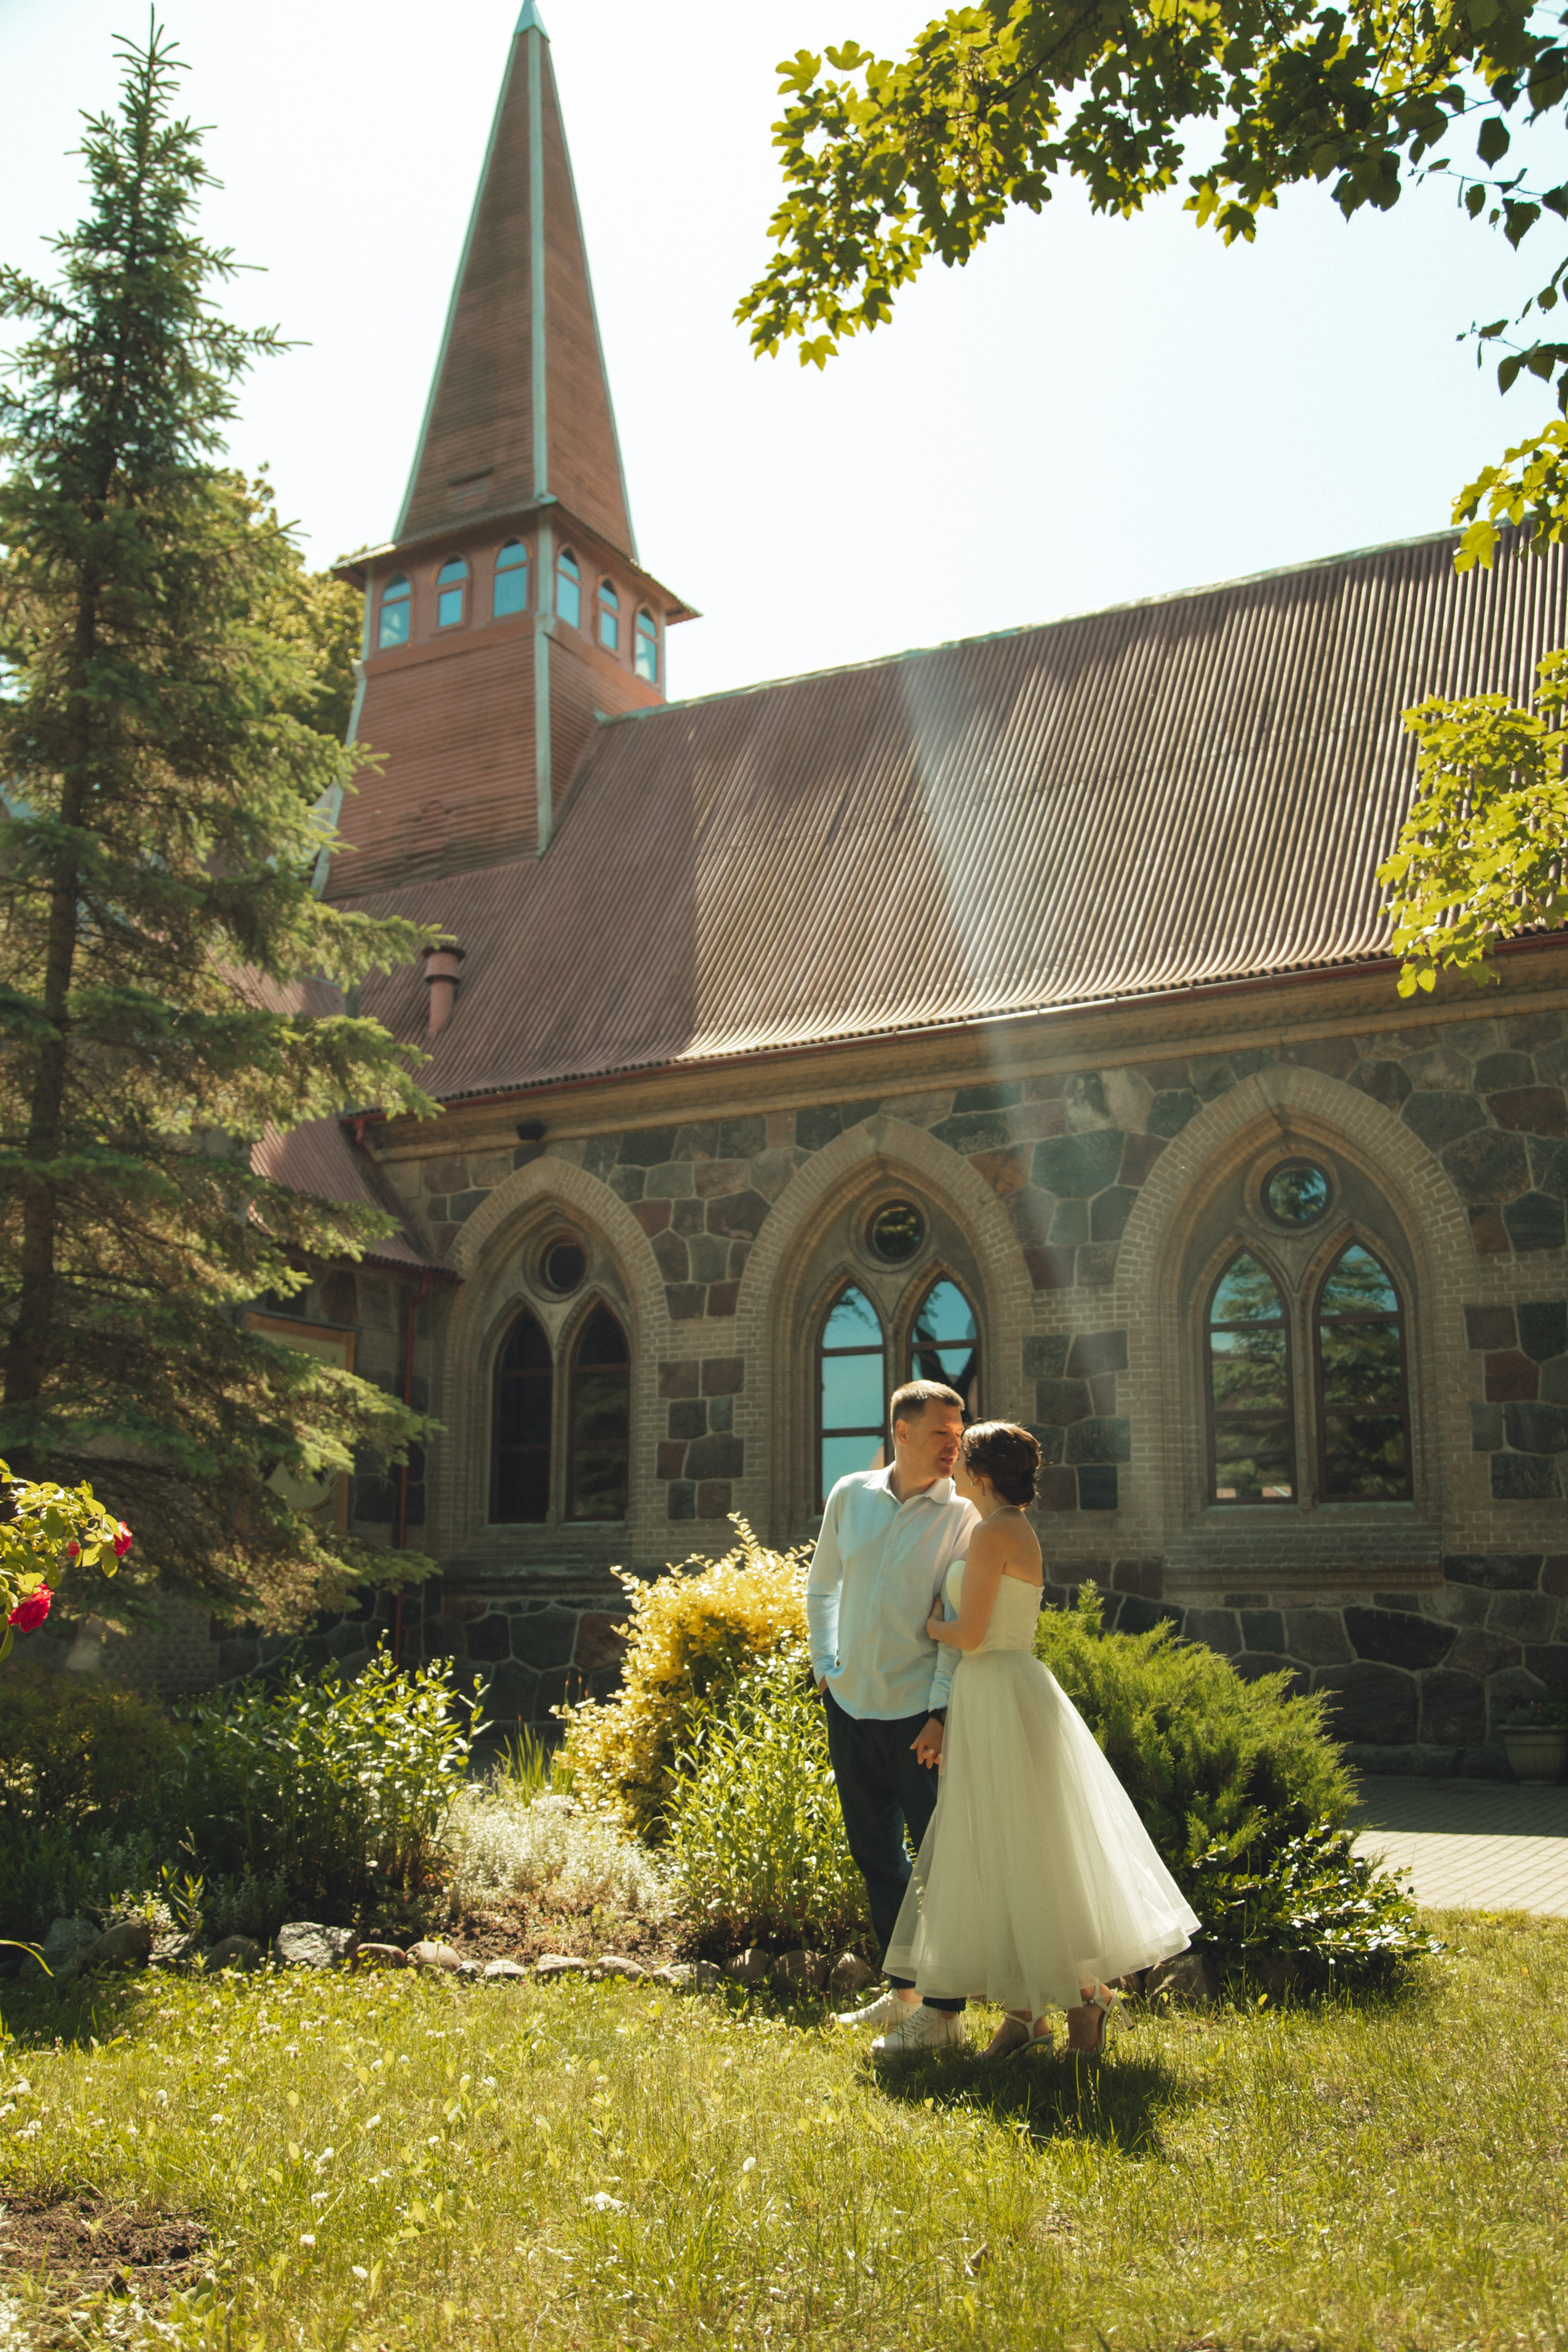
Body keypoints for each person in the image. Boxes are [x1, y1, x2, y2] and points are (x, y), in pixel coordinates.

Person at [881, 1420, 1199, 2058]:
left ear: (980, 1474)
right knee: (1007, 1849)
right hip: (997, 1691)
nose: (954, 1467)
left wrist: (931, 1625)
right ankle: (1026, 2017)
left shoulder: (995, 1532)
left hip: (998, 1688)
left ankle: (1083, 2001)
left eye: (962, 1460)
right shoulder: (1006, 1528)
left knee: (1022, 1847)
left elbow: (971, 1634)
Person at [807, 1379, 979, 2052]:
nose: (953, 1446)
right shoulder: (849, 1494)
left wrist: (940, 1713)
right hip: (850, 1708)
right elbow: (823, 1585)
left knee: (941, 1866)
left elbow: (954, 1625)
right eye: (942, 1433)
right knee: (877, 1856)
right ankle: (905, 1994)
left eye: (959, 1435)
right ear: (902, 1433)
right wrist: (826, 1667)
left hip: (917, 1721)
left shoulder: (962, 1517)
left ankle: (945, 2014)